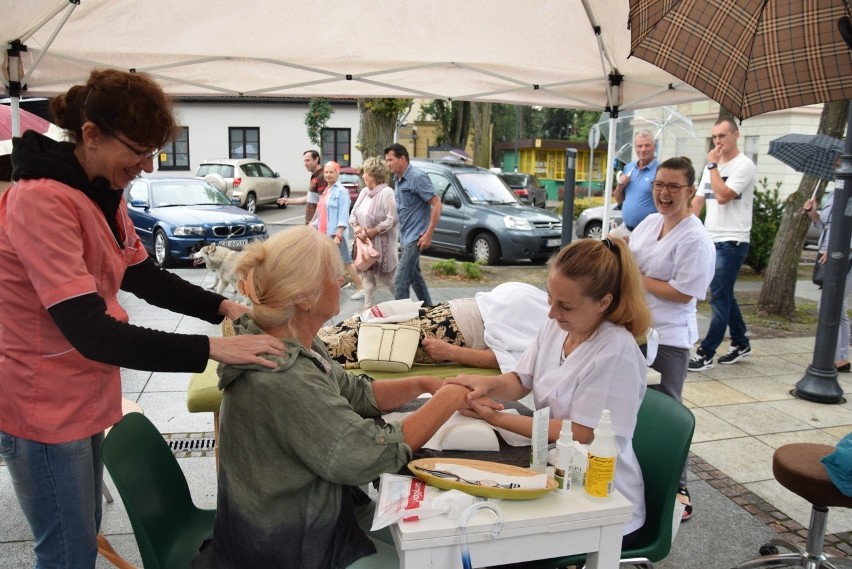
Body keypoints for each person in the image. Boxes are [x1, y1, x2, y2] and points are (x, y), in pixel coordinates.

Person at [0, 69, 285, 569]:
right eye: (137, 152)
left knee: (83, 532)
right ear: (90, 135)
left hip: (81, 388)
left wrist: (224, 307)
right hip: (42, 401)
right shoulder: (42, 200)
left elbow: (144, 277)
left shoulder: (100, 192)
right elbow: (91, 331)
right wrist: (210, 349)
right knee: (66, 551)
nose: (146, 167)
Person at [193, 226, 475, 569]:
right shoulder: (283, 378)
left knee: (433, 537)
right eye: (332, 272)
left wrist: (426, 384)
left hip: (287, 524)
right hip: (288, 548)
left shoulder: (294, 344)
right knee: (441, 557)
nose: (343, 277)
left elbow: (356, 392)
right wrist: (451, 398)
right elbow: (365, 456)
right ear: (304, 297)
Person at [446, 238, 652, 542]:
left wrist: (495, 417)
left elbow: (583, 432)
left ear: (604, 303)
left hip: (604, 500)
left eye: (565, 305)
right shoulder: (560, 325)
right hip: (562, 471)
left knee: (499, 541)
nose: (552, 312)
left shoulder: (615, 352)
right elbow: (520, 380)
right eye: (550, 298)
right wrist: (488, 384)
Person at [628, 156, 715, 521]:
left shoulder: (696, 239)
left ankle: (678, 487)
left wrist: (636, 276)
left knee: (666, 414)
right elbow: (629, 256)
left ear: (690, 191)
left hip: (670, 340)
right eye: (659, 185)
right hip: (636, 330)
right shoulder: (650, 222)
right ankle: (638, 480)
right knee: (633, 408)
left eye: (673, 187)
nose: (664, 193)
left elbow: (684, 292)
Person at [319, 282, 550, 372]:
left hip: (453, 333)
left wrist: (449, 352)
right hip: (448, 312)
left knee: (364, 342)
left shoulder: (551, 331)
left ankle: (309, 350)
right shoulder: (546, 303)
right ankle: (308, 341)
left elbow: (505, 359)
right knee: (364, 323)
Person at [688, 118, 756, 371]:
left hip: (732, 240)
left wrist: (713, 165)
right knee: (724, 295)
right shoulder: (712, 167)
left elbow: (723, 196)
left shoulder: (744, 165)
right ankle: (741, 342)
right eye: (715, 137)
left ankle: (706, 352)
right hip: (711, 238)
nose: (718, 141)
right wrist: (683, 230)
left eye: (722, 136)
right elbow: (699, 201)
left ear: (736, 136)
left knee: (718, 298)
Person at [384, 143, 441, 305]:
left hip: (417, 237)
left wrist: (429, 233)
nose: (388, 164)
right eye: (387, 161)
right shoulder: (398, 180)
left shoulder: (417, 177)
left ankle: (401, 321)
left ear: (402, 159)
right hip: (406, 236)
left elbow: (437, 204)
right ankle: (430, 309)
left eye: (390, 160)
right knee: (415, 277)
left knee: (400, 279)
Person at [804, 187, 852, 372]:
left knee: (829, 305)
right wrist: (813, 213)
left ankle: (834, 357)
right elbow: (827, 226)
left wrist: (839, 250)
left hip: (844, 258)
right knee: (839, 307)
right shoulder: (836, 192)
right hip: (828, 256)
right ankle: (841, 358)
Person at [349, 156, 399, 308]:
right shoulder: (364, 191)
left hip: (381, 246)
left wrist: (372, 231)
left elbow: (393, 219)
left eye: (365, 173)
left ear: (374, 175)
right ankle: (367, 308)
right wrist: (358, 228)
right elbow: (353, 215)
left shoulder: (387, 193)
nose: (363, 175)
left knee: (388, 280)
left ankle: (402, 303)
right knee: (367, 278)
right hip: (364, 245)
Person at [312, 160, 364, 299]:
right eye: (326, 172)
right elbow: (322, 214)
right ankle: (327, 288)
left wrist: (338, 235)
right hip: (323, 234)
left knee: (346, 262)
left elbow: (343, 215)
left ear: (337, 173)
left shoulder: (341, 192)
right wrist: (312, 226)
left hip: (334, 235)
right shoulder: (326, 191)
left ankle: (361, 287)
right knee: (325, 262)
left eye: (331, 172)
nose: (328, 175)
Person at [614, 130, 658, 233]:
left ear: (654, 147)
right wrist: (620, 186)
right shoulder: (629, 167)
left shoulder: (660, 170)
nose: (643, 149)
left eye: (647, 145)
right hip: (626, 229)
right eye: (639, 146)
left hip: (648, 232)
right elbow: (619, 200)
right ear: (635, 148)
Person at [276, 149, 327, 224]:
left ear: (316, 159)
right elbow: (309, 198)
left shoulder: (322, 176)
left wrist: (313, 222)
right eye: (304, 161)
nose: (305, 164)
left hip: (316, 224)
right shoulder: (314, 176)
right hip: (311, 223)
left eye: (307, 160)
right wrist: (288, 201)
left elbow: (322, 203)